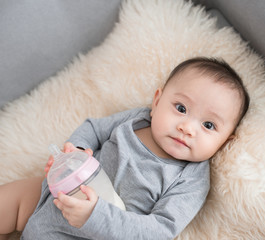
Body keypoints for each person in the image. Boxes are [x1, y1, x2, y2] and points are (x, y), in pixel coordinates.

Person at [0, 57, 250, 240]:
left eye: (208, 125)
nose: (187, 127)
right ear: (157, 101)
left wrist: (94, 218)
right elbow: (94, 129)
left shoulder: (191, 178)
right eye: (181, 108)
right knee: (9, 198)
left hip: (95, 234)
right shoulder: (139, 119)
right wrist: (77, 149)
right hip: (54, 196)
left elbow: (160, 230)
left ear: (224, 142)